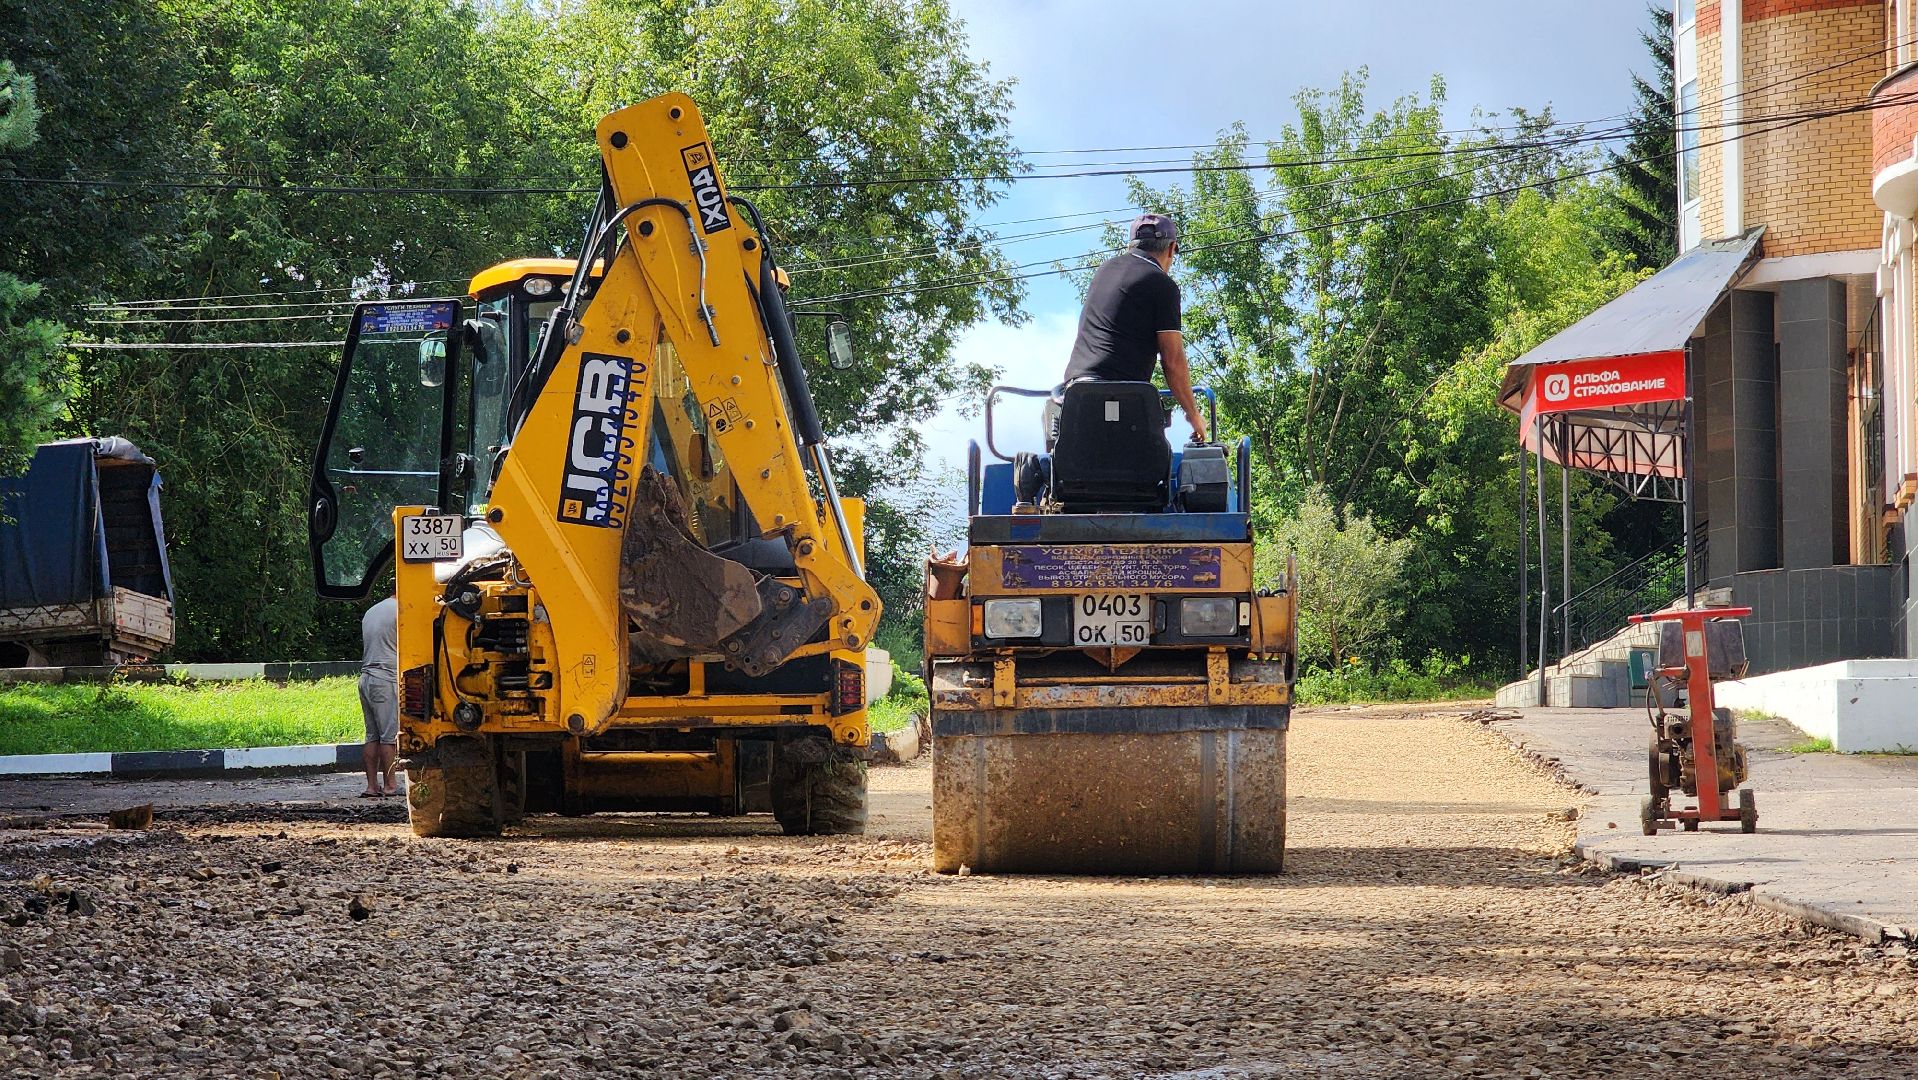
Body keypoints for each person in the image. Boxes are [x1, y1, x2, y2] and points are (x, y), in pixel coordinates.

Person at [1056, 212, 1208, 443]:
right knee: (1158, 468)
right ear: (1171, 249)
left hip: (1075, 398)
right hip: (1122, 402)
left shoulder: (1104, 271)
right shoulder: (1162, 285)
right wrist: (1194, 414)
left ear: (1132, 245)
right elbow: (1173, 361)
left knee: (1075, 464)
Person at [359, 595, 401, 797]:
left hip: (366, 678)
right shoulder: (402, 610)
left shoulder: (372, 611)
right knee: (389, 737)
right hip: (385, 678)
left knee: (372, 735)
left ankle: (371, 786)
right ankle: (391, 785)